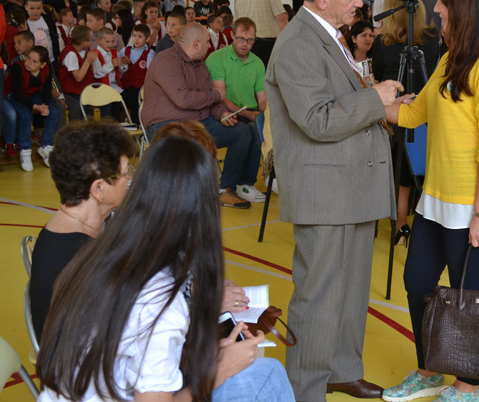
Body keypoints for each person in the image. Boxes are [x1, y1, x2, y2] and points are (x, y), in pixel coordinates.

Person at [36, 135, 294, 402]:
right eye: (124, 173)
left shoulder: (98, 251)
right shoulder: (160, 298)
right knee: (267, 375)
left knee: (265, 371)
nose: (127, 178)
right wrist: (221, 369)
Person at [265, 0, 402, 401]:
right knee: (319, 295)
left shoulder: (328, 36)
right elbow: (317, 119)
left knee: (351, 289)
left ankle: (341, 369)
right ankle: (305, 388)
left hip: (350, 184)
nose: (361, 2)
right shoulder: (299, 43)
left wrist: (376, 98)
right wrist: (375, 99)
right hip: (325, 190)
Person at [382, 0, 479, 402]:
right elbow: (412, 114)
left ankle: (468, 386)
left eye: (443, 0)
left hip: (471, 203)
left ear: (465, 6)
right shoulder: (449, 58)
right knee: (418, 282)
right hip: (435, 199)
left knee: (468, 297)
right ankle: (429, 370)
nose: (436, 7)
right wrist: (367, 98)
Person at [29, 119, 137, 341]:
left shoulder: (67, 227)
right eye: (125, 173)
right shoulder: (79, 256)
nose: (129, 180)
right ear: (98, 189)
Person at [141, 23, 259, 209]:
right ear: (196, 44)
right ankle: (183, 195)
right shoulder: (166, 60)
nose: (210, 46)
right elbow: (184, 100)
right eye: (207, 42)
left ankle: (225, 188)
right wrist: (217, 95)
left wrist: (222, 113)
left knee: (242, 132)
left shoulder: (200, 64)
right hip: (164, 125)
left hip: (199, 121)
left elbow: (210, 99)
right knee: (193, 140)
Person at [372, 0, 439, 245]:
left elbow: (379, 75)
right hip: (424, 111)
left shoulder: (382, 42)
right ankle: (417, 220)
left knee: (399, 166)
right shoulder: (431, 38)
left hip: (393, 113)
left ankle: (400, 222)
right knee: (417, 166)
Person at [206, 17, 267, 203]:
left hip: (249, 111)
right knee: (245, 131)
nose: (245, 44)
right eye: (241, 38)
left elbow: (262, 98)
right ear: (232, 36)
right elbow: (220, 96)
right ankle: (228, 185)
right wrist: (246, 114)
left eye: (250, 40)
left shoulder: (257, 63)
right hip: (223, 112)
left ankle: (248, 183)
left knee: (261, 127)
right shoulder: (216, 58)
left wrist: (266, 115)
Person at [7, 45, 58, 171]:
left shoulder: (47, 69)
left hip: (32, 94)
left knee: (53, 111)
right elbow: (17, 93)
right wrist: (35, 106)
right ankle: (25, 150)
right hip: (13, 95)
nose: (29, 62)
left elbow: (46, 89)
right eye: (28, 58)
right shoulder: (18, 67)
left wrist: (45, 106)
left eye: (34, 61)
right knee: (26, 114)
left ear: (42, 64)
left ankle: (46, 146)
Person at [234, 0, 288, 68]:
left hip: (244, 44)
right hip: (266, 45)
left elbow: (235, 24)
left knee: (248, 73)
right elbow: (281, 19)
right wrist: (286, 41)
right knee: (266, 75)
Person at [347, 19, 376, 84]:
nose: (368, 39)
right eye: (364, 35)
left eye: (371, 36)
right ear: (354, 39)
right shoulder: (347, 61)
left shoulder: (375, 60)